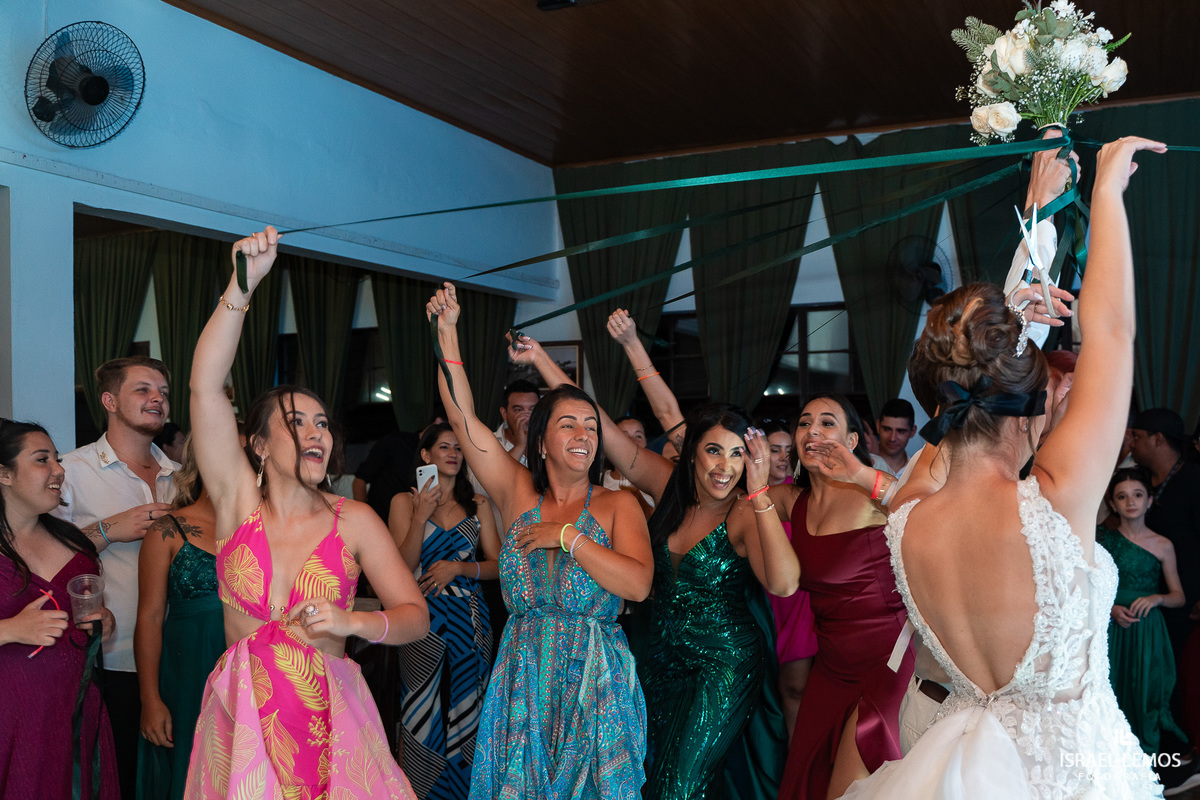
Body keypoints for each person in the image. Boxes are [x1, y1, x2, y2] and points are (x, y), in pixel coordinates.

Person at [836, 137, 1165, 800]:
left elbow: (1096, 341)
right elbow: (1111, 334)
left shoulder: (908, 510)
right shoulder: (1058, 498)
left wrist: (1019, 305)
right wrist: (1103, 191)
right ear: (1034, 405)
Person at [185, 226, 428, 799]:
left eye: (322, 423)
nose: (316, 432)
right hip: (243, 722)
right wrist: (242, 286)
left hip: (328, 722)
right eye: (296, 422)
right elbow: (204, 389)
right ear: (259, 445)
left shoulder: (355, 520)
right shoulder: (236, 503)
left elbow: (415, 616)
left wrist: (353, 623)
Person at [511, 325, 795, 800]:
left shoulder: (745, 512)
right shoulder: (668, 486)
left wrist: (762, 491)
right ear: (690, 454)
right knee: (650, 778)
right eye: (713, 451)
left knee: (679, 786)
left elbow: (784, 584)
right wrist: (542, 359)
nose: (724, 467)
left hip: (722, 663)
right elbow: (601, 427)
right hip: (659, 654)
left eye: (737, 455)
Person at [426, 282, 652, 799]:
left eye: (591, 427)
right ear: (542, 440)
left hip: (594, 678)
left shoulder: (618, 505)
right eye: (568, 425)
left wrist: (568, 537)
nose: (583, 435)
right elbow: (461, 418)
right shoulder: (515, 492)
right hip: (523, 673)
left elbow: (638, 585)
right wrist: (448, 333)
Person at [766, 395, 911, 800]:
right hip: (830, 668)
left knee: (846, 789)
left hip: (887, 662)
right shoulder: (792, 501)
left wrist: (861, 473)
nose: (812, 430)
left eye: (827, 423)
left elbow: (924, 508)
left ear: (851, 440)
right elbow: (724, 498)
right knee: (804, 779)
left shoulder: (874, 495)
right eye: (804, 423)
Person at [56, 356, 178, 800]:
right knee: (117, 782)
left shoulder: (182, 477)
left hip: (180, 656)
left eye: (163, 392)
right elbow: (45, 562)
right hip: (110, 660)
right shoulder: (70, 472)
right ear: (109, 401)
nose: (157, 399)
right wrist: (107, 531)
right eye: (143, 389)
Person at [0, 419, 118, 799]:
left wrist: (104, 622)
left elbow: (93, 614)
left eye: (57, 459)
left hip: (74, 712)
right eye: (42, 460)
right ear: (4, 474)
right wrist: (11, 629)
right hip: (10, 719)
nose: (58, 470)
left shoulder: (73, 544)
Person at [387, 422, 501, 800]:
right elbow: (401, 568)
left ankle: (466, 791)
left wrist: (460, 568)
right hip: (421, 618)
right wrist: (421, 516)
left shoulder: (478, 505)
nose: (453, 454)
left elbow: (500, 565)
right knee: (420, 704)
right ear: (425, 455)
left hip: (470, 619)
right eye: (444, 447)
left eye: (458, 448)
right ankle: (421, 791)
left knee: (469, 702)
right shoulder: (403, 502)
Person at [134, 436, 225, 800]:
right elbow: (150, 617)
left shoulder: (267, 530)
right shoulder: (168, 530)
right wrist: (150, 699)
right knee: (190, 770)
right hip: (189, 675)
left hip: (252, 673)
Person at [1097, 468, 1188, 755]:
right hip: (1111, 627)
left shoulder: (1163, 545)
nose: (1130, 502)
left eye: (1137, 495)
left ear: (1149, 500)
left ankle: (1145, 761)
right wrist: (1110, 608)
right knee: (1110, 688)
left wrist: (1157, 598)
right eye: (1122, 496)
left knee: (1146, 691)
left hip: (1147, 630)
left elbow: (1179, 597)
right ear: (1112, 504)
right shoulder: (1103, 542)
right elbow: (1088, 588)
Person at [759, 418, 818, 742]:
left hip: (798, 604)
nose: (783, 457)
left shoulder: (803, 496)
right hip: (762, 602)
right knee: (763, 692)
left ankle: (796, 762)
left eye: (788, 450)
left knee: (796, 688)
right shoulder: (745, 500)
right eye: (774, 449)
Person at [493, 380, 541, 466]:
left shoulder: (548, 442)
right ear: (504, 414)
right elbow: (492, 474)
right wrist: (519, 446)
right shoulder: (489, 443)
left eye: (533, 410)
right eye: (518, 410)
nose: (526, 417)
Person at [876, 400, 917, 475]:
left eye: (901, 431)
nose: (892, 438)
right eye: (886, 429)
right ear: (878, 426)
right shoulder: (861, 464)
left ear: (913, 431)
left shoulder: (917, 471)